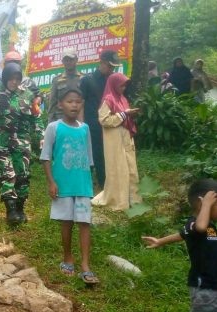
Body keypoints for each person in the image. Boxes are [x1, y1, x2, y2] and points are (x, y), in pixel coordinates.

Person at [141, 179, 217, 312]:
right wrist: (207, 204)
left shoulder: (209, 226)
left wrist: (160, 241)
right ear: (204, 204)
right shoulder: (196, 224)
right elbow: (198, 228)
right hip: (205, 287)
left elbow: (181, 235)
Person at [40, 87, 98, 285]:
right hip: (63, 185)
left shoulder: (85, 128)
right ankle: (67, 257)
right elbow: (45, 157)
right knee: (66, 222)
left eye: (78, 101)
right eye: (70, 101)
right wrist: (51, 182)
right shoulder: (54, 127)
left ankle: (85, 265)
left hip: (82, 185)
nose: (74, 105)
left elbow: (89, 158)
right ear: (60, 105)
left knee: (84, 223)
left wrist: (90, 184)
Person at [0, 62, 40, 225]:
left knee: (22, 174)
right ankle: (10, 210)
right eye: (11, 79)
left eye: (17, 79)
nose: (14, 82)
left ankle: (20, 208)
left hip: (21, 142)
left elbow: (36, 118)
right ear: (5, 78)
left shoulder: (27, 95)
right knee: (7, 174)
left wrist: (42, 136)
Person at [91, 72, 142, 210]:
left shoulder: (123, 99)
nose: (123, 88)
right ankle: (118, 200)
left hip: (125, 137)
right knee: (118, 167)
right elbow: (104, 119)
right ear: (113, 85)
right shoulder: (108, 99)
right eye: (121, 85)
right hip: (114, 138)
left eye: (125, 85)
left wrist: (131, 114)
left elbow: (125, 115)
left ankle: (132, 198)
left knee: (130, 166)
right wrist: (125, 114)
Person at [79, 49, 118, 187]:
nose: (112, 69)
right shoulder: (87, 80)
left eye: (113, 67)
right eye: (110, 66)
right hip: (91, 123)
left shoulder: (112, 80)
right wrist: (81, 124)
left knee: (107, 153)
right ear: (101, 63)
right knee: (93, 154)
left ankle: (106, 182)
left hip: (109, 122)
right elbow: (81, 103)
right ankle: (92, 183)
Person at [47, 49, 83, 123]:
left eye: (71, 59)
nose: (68, 62)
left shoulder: (83, 79)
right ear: (63, 61)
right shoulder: (57, 80)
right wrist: (50, 123)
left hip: (79, 120)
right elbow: (52, 104)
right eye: (66, 60)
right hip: (61, 120)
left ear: (76, 60)